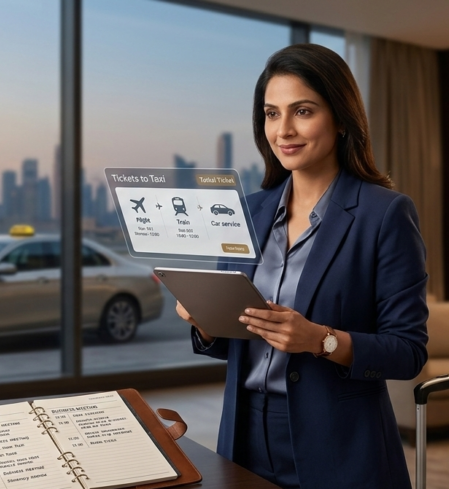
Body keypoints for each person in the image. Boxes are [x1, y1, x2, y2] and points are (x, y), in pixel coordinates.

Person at [178, 44, 428, 488]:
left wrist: (320, 340)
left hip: (341, 444)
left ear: (341, 117)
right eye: (272, 114)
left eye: (303, 111)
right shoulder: (248, 212)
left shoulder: (385, 214)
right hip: (245, 433)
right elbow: (232, 344)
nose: (284, 130)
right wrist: (208, 324)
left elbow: (408, 352)